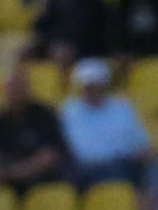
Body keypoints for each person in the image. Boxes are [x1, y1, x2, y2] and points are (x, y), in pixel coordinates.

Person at [60, 59, 150, 188]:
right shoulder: (68, 111)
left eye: (94, 86)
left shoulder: (122, 107)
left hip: (120, 165)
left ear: (103, 86)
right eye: (86, 86)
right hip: (82, 169)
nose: (89, 90)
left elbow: (141, 144)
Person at [0, 67, 69, 195]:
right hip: (8, 176)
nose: (14, 92)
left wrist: (14, 173)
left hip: (42, 178)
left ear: (28, 89)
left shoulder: (44, 114)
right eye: (11, 88)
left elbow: (50, 156)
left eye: (18, 87)